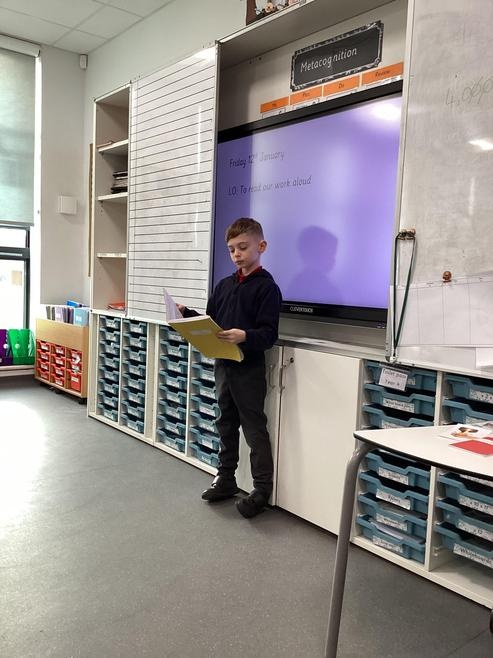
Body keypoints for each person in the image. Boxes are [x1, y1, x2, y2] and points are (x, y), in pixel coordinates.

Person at [179, 218, 282, 518]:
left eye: (243, 247)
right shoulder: (224, 285)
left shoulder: (267, 288)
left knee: (253, 428)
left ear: (261, 246)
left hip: (248, 369)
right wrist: (188, 316)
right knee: (225, 422)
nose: (237, 254)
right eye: (231, 249)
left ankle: (261, 490)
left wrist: (245, 336)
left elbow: (269, 334)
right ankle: (225, 478)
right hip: (223, 366)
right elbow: (212, 323)